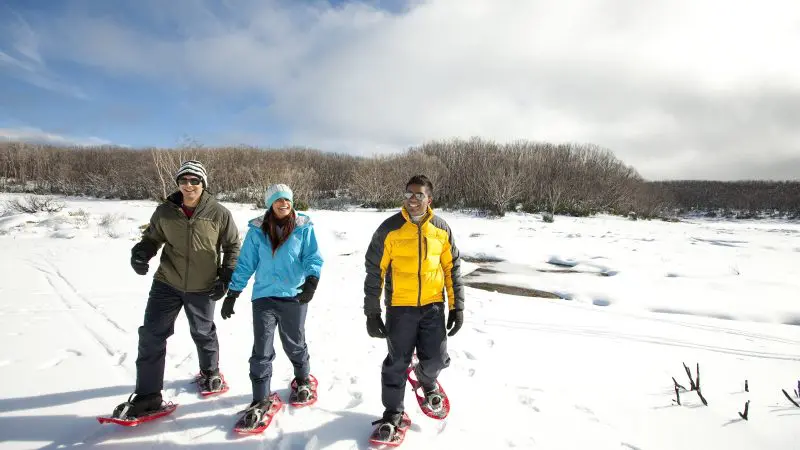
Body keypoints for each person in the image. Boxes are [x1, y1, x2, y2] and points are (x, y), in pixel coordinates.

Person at [111, 160, 241, 419]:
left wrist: (226, 276)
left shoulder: (219, 213)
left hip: (203, 286)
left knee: (203, 331)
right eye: (184, 180)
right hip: (167, 283)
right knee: (151, 335)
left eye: (195, 180)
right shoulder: (165, 211)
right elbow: (152, 238)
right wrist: (141, 253)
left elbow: (232, 246)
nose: (189, 185)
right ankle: (148, 395)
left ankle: (210, 372)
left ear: (203, 184)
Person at [363, 174, 465, 438]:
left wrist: (457, 307)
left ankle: (426, 379)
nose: (412, 199)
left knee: (437, 360)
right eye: (408, 194)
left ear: (429, 199)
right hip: (400, 308)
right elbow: (375, 271)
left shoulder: (441, 229)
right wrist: (372, 312)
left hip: (433, 307)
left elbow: (451, 268)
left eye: (419, 195)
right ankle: (393, 414)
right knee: (397, 362)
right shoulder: (389, 229)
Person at [220, 183, 323, 429]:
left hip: (294, 295)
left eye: (286, 199)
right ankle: (260, 398)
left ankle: (303, 379)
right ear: (270, 204)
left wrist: (311, 280)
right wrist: (233, 292)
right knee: (261, 349)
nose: (283, 203)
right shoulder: (257, 231)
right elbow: (246, 263)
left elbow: (312, 257)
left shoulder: (303, 227)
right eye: (278, 200)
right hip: (264, 297)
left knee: (294, 343)